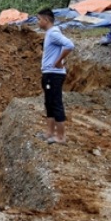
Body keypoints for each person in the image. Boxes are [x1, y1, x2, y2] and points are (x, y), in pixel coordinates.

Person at [37, 8, 75, 144]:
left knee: (56, 103)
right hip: (49, 74)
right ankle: (49, 133)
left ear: (46, 20)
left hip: (54, 75)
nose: (38, 22)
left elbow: (70, 45)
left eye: (39, 19)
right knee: (49, 103)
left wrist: (58, 61)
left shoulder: (53, 33)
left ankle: (60, 137)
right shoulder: (50, 33)